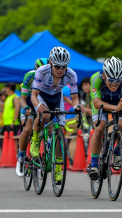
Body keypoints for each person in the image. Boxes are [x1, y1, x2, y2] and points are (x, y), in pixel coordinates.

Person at [30, 46, 83, 182]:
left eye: (63, 66)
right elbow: (34, 95)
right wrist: (38, 106)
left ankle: (58, 169)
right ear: (51, 63)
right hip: (42, 96)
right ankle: (35, 140)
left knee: (59, 133)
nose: (60, 70)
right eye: (57, 66)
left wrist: (76, 106)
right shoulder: (42, 71)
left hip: (56, 98)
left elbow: (75, 97)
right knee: (45, 115)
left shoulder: (71, 74)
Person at [88, 56, 122, 179]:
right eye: (111, 80)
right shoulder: (96, 78)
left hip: (120, 102)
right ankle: (94, 164)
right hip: (101, 103)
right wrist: (115, 108)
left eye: (118, 81)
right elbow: (96, 102)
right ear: (105, 75)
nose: (115, 84)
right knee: (99, 127)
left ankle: (118, 150)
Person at [16, 58, 49, 177]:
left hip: (41, 103)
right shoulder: (29, 76)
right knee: (28, 129)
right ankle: (21, 157)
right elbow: (22, 100)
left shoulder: (52, 77)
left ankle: (45, 156)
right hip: (28, 103)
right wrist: (25, 108)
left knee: (48, 124)